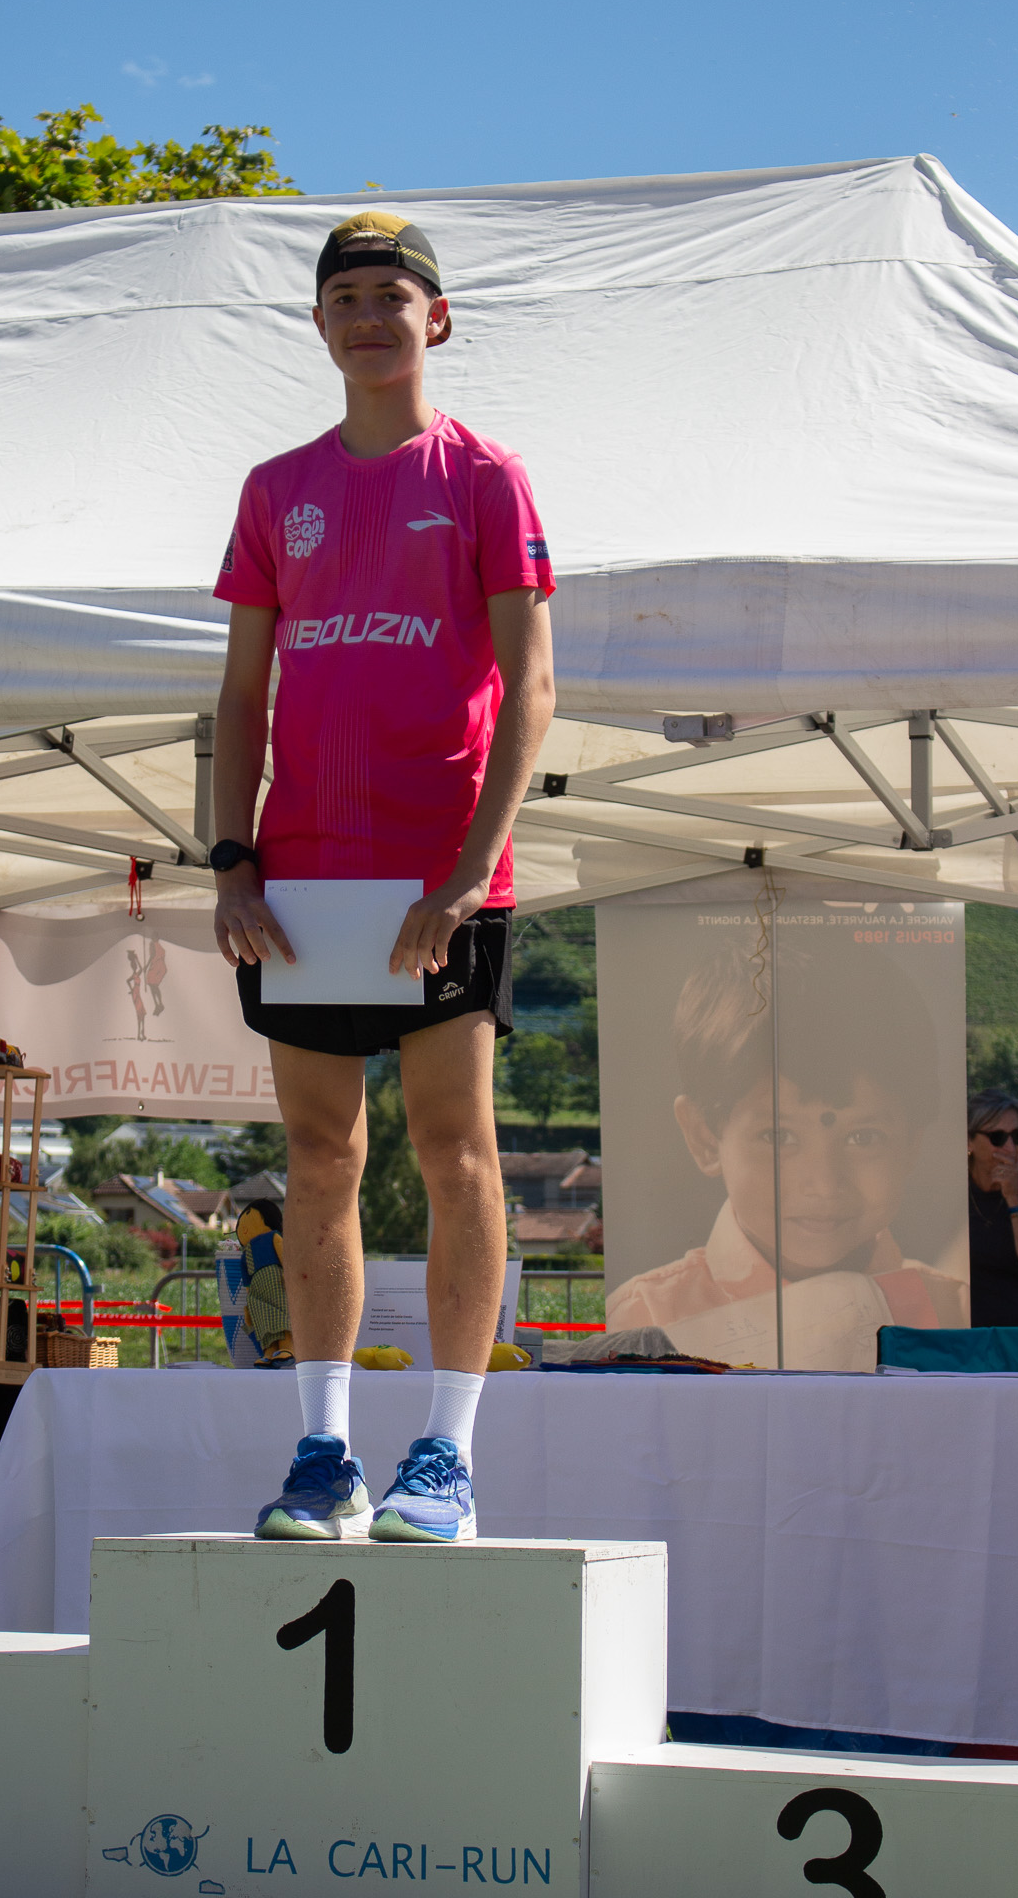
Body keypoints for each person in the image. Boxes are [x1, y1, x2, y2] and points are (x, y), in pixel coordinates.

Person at [212, 209, 556, 1543]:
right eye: (345, 296)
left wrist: (469, 872)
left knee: (456, 1151)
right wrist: (231, 856)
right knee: (318, 1157)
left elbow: (531, 686)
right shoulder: (274, 489)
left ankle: (448, 1457)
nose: (368, 316)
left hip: (440, 880)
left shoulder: (484, 476)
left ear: (436, 317)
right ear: (318, 323)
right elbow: (241, 695)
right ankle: (324, 1454)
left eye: (391, 295)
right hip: (304, 882)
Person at [608, 938, 967, 1361]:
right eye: (778, 1136)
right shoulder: (643, 1320)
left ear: (911, 1143)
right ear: (704, 1136)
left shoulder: (955, 1313)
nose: (825, 1184)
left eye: (863, 1137)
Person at [966, 1088, 1018, 1327]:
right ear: (969, 1141)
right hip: (964, 1335)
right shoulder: (954, 1195)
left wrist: (1014, 1199)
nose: (1010, 1147)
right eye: (997, 1137)